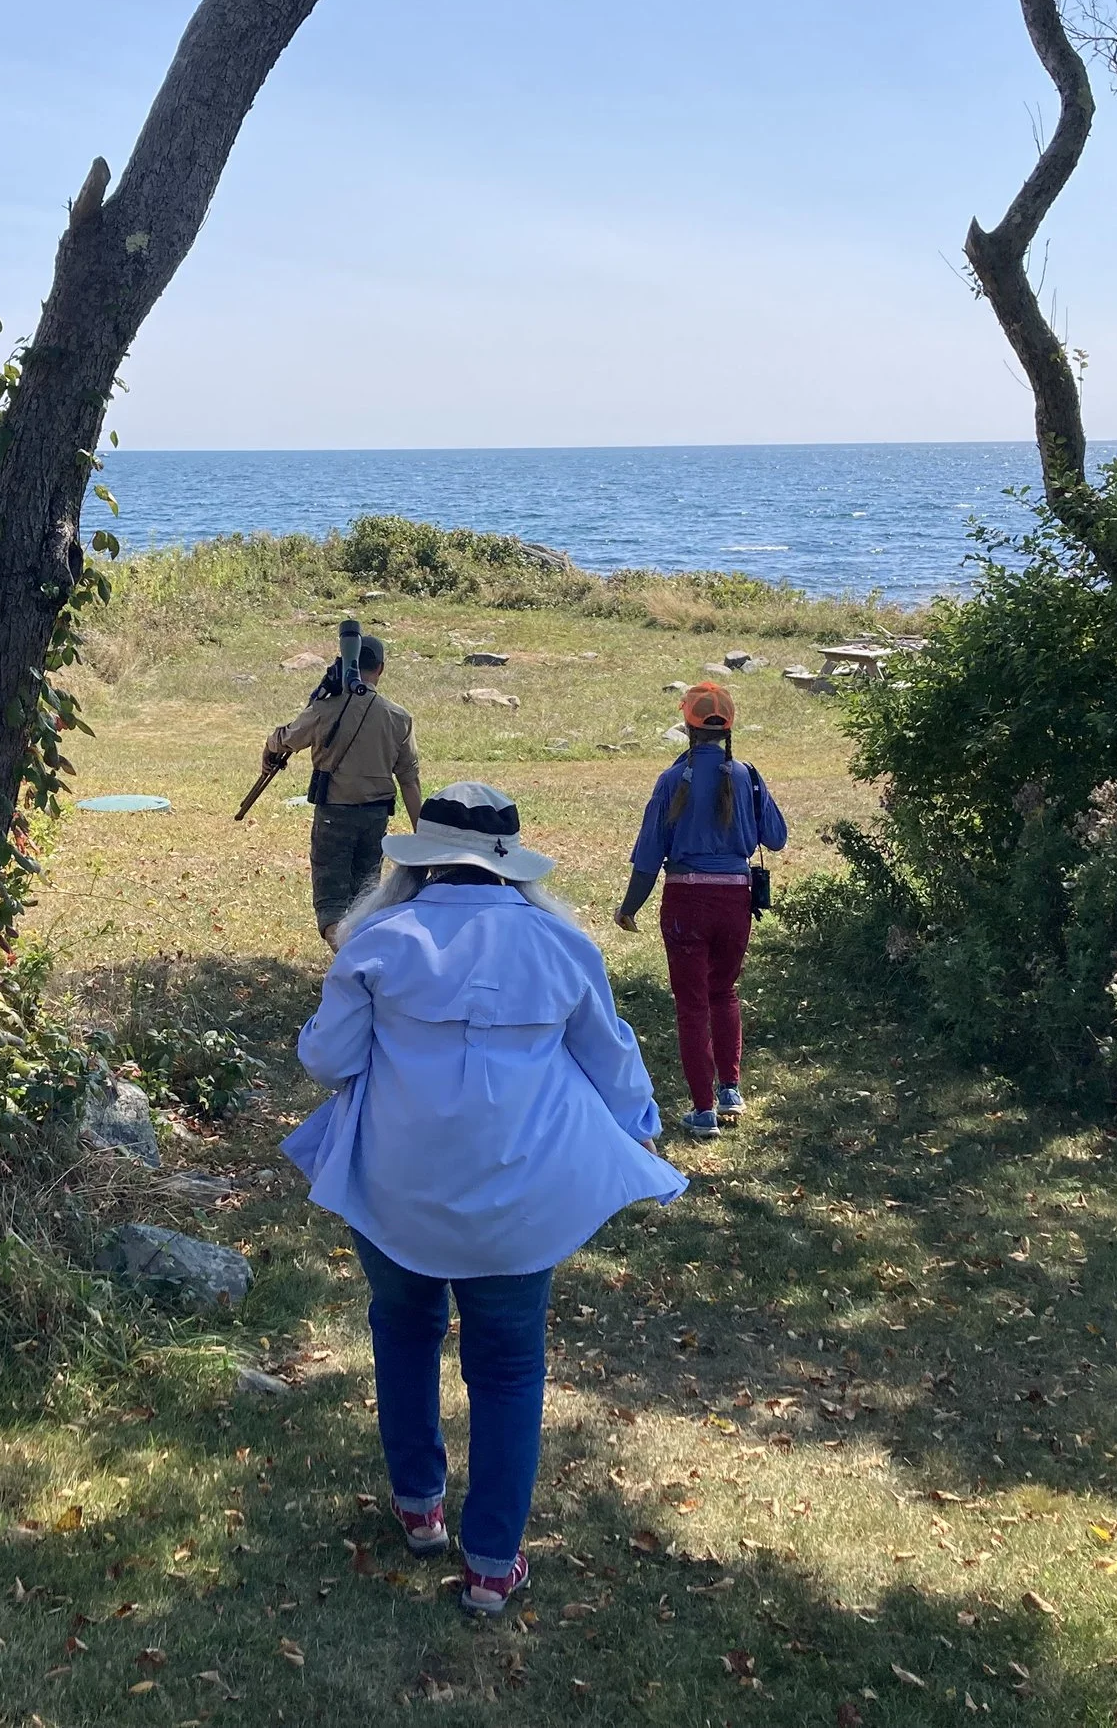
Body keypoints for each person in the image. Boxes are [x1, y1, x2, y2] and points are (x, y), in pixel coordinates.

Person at [285, 782, 685, 1616]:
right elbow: (612, 1062)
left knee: (403, 1326)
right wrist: (639, 1125)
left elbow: (327, 1061)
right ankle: (494, 1561)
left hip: (397, 1186)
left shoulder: (378, 939)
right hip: (519, 1197)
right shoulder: (560, 944)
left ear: (419, 858)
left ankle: (419, 1500)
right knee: (507, 1365)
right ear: (512, 864)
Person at [615, 681, 790, 1139]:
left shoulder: (672, 780)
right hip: (735, 897)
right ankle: (731, 1089)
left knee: (691, 1004)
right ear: (728, 727)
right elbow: (776, 837)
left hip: (685, 901)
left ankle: (702, 1108)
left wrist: (629, 907)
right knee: (724, 993)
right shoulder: (748, 775)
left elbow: (649, 857)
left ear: (688, 727)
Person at [261, 632, 425, 943]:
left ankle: (351, 961)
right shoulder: (398, 717)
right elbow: (409, 780)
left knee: (332, 900)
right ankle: (365, 957)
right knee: (366, 896)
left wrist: (270, 746)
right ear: (381, 668)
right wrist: (423, 838)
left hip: (334, 815)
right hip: (376, 818)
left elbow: (288, 738)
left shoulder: (326, 708)